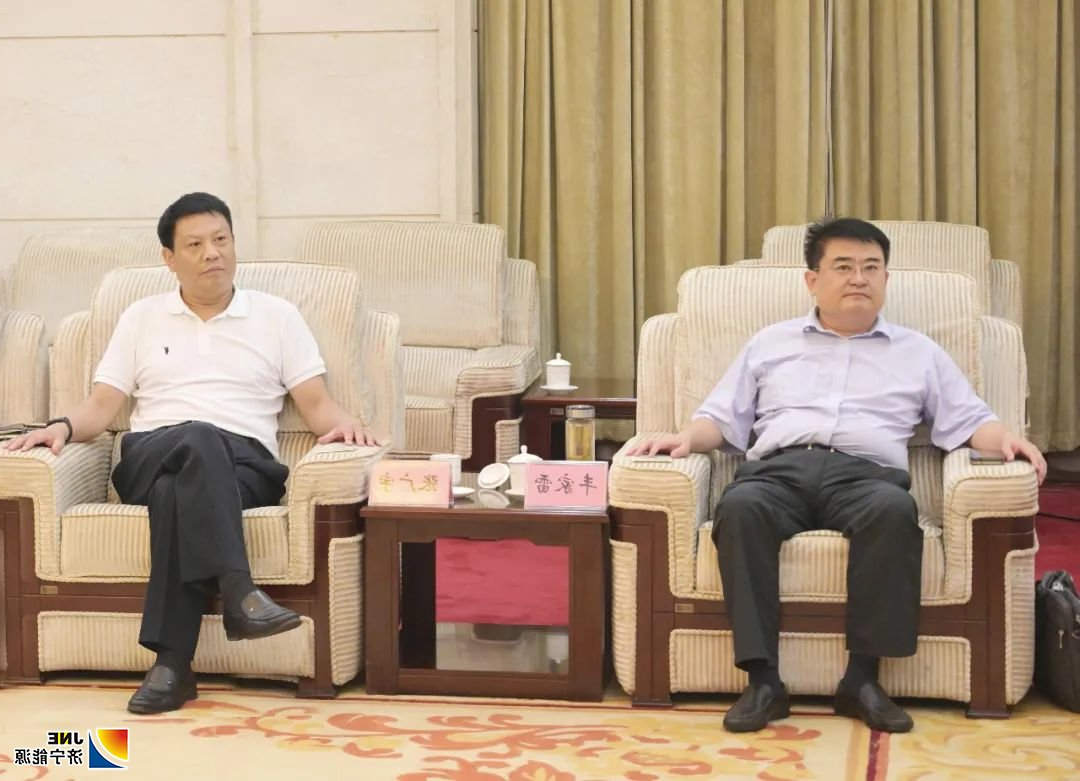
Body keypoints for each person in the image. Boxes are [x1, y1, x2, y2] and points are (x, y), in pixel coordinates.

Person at [626, 217, 1045, 733]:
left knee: (894, 512)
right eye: (843, 267)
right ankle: (762, 681)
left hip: (866, 478)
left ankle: (862, 681)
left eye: (872, 267)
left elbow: (970, 419)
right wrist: (686, 439)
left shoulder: (918, 352)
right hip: (778, 472)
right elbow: (721, 417)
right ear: (813, 279)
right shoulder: (770, 343)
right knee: (739, 508)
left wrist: (1006, 440)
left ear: (886, 278)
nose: (859, 278)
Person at [5, 192, 379, 714]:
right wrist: (62, 428)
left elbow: (316, 405)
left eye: (221, 240)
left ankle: (172, 666)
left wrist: (348, 427)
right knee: (197, 438)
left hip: (245, 467)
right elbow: (102, 405)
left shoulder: (277, 316)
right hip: (151, 452)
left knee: (176, 492)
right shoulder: (141, 317)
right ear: (169, 257)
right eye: (196, 244)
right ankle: (239, 591)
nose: (212, 253)